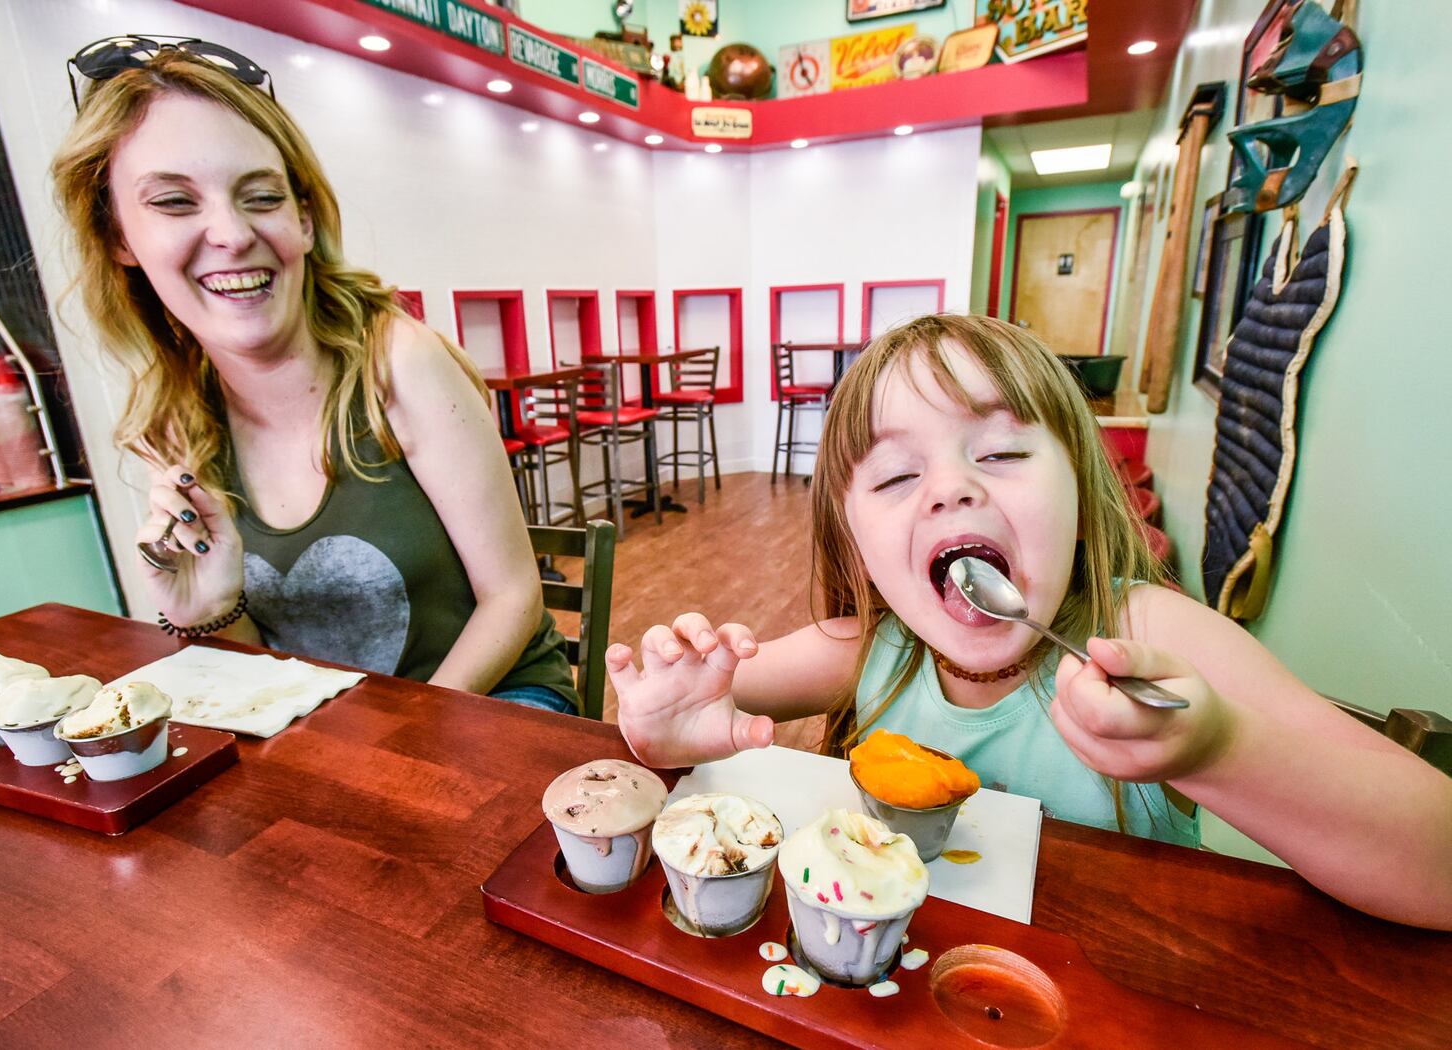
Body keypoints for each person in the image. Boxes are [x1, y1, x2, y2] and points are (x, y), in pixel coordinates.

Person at [608, 313, 1452, 929]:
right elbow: (689, 723)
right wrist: (667, 729)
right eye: (898, 478)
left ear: (1082, 496)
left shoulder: (1150, 631)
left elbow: (1436, 863)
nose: (949, 488)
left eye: (1003, 454)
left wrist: (1220, 750)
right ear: (857, 542)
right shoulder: (869, 648)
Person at [51, 37, 577, 713]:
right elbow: (257, 677)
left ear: (302, 219)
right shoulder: (177, 419)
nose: (232, 234)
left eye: (260, 196)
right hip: (322, 730)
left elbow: (512, 596)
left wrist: (391, 743)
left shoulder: (399, 360)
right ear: (119, 236)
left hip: (493, 699)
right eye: (176, 202)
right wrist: (207, 612)